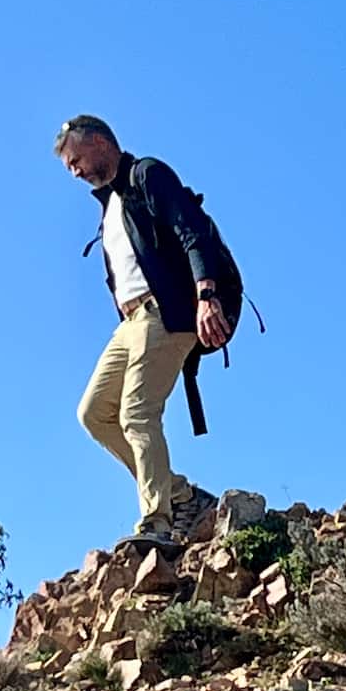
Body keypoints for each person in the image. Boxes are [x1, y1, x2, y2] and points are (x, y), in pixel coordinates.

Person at [54, 114, 230, 547]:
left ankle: (158, 523)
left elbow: (192, 231)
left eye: (76, 160)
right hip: (131, 322)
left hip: (167, 310)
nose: (75, 172)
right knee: (94, 413)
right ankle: (182, 495)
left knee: (137, 413)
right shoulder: (110, 205)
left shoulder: (146, 175)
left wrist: (207, 295)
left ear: (99, 142)